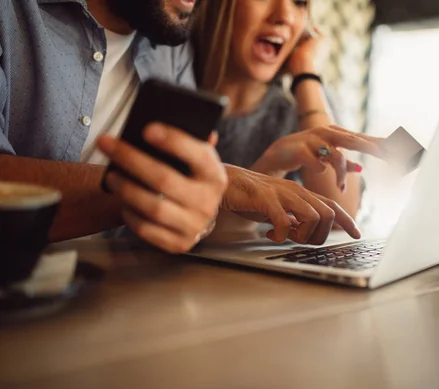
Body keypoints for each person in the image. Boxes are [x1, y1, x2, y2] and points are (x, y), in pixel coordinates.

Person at [0, 0, 380, 254]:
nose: (284, 14)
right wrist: (213, 185)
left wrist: (306, 77)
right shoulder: (183, 50)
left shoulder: (170, 48)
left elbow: (342, 214)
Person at [192, 0, 366, 218]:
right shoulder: (172, 79)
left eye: (299, 2)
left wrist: (305, 70)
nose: (285, 16)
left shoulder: (307, 100)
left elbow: (343, 215)